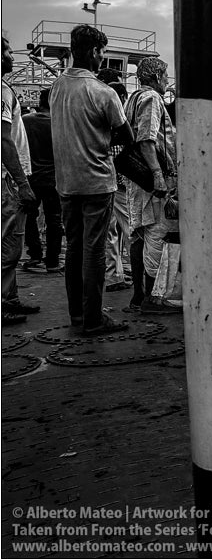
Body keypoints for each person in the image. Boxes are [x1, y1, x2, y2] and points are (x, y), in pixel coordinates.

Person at [49, 25, 130, 335]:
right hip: (97, 182)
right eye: (102, 52)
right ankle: (94, 318)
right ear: (95, 52)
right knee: (94, 251)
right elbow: (126, 134)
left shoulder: (57, 87)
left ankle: (77, 315)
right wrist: (108, 148)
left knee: (74, 249)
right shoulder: (102, 92)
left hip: (66, 183)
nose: (102, 58)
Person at [126, 57, 180, 314]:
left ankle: (139, 296)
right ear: (158, 77)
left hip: (138, 180)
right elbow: (146, 139)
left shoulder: (132, 97)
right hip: (152, 181)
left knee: (139, 233)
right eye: (166, 76)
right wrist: (159, 175)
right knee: (158, 233)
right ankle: (154, 298)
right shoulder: (151, 99)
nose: (167, 81)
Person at [2, 35, 40, 325]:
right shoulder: (2, 91)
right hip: (8, 181)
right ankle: (4, 303)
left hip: (8, 179)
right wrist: (22, 183)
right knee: (9, 246)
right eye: (6, 53)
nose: (11, 58)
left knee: (10, 243)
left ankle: (10, 298)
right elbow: (4, 140)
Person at [97, 73, 132, 294]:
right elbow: (126, 139)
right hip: (118, 183)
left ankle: (113, 275)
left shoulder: (97, 110)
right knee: (129, 230)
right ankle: (137, 273)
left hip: (104, 179)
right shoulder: (114, 113)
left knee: (110, 233)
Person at [22, 89, 63, 275]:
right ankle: (53, 261)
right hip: (54, 179)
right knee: (54, 219)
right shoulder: (60, 124)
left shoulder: (26, 121)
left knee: (29, 217)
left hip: (31, 177)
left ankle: (35, 255)